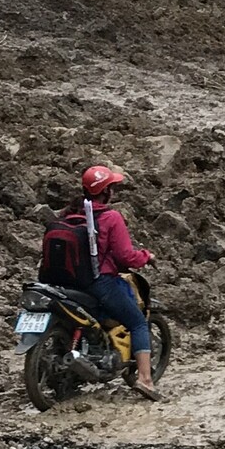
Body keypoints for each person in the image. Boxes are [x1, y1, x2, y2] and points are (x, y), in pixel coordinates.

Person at [68, 165, 163, 400]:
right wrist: (146, 256)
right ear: (106, 191)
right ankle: (145, 379)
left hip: (68, 284)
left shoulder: (71, 215)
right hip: (99, 283)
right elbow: (125, 256)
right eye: (112, 187)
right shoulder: (111, 217)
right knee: (138, 322)